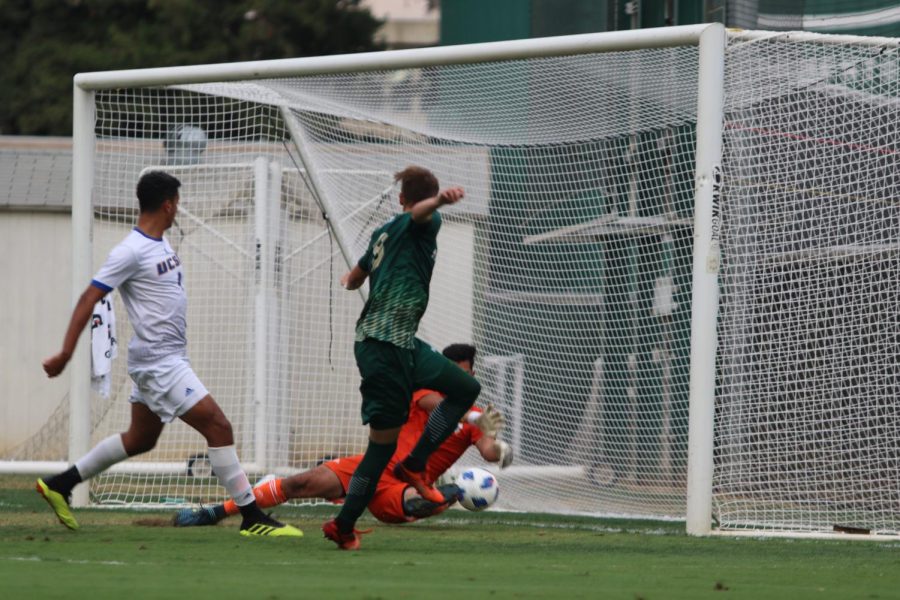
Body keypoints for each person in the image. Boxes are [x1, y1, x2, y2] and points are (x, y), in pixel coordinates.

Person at [38, 171, 301, 538]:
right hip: (160, 363)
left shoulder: (160, 244)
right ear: (168, 204)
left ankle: (61, 483)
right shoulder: (130, 250)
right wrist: (66, 352)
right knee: (219, 426)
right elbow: (90, 297)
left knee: (140, 438)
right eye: (177, 202)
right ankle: (252, 515)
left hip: (164, 359)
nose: (178, 209)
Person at [173, 344, 512, 529]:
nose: (459, 382)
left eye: (465, 376)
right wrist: (472, 415)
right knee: (300, 484)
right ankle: (215, 513)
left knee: (424, 499)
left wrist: (501, 448)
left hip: (405, 485)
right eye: (454, 374)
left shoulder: (476, 420)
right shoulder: (424, 391)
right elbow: (436, 404)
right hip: (369, 467)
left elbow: (488, 451)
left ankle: (441, 497)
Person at [324, 166, 482, 549]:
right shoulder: (422, 222)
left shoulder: (383, 232)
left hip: (405, 343)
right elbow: (421, 214)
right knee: (380, 451)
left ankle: (415, 464)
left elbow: (355, 276)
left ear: (399, 197)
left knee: (465, 388)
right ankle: (342, 526)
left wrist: (350, 280)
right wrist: (440, 201)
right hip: (381, 347)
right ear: (426, 198)